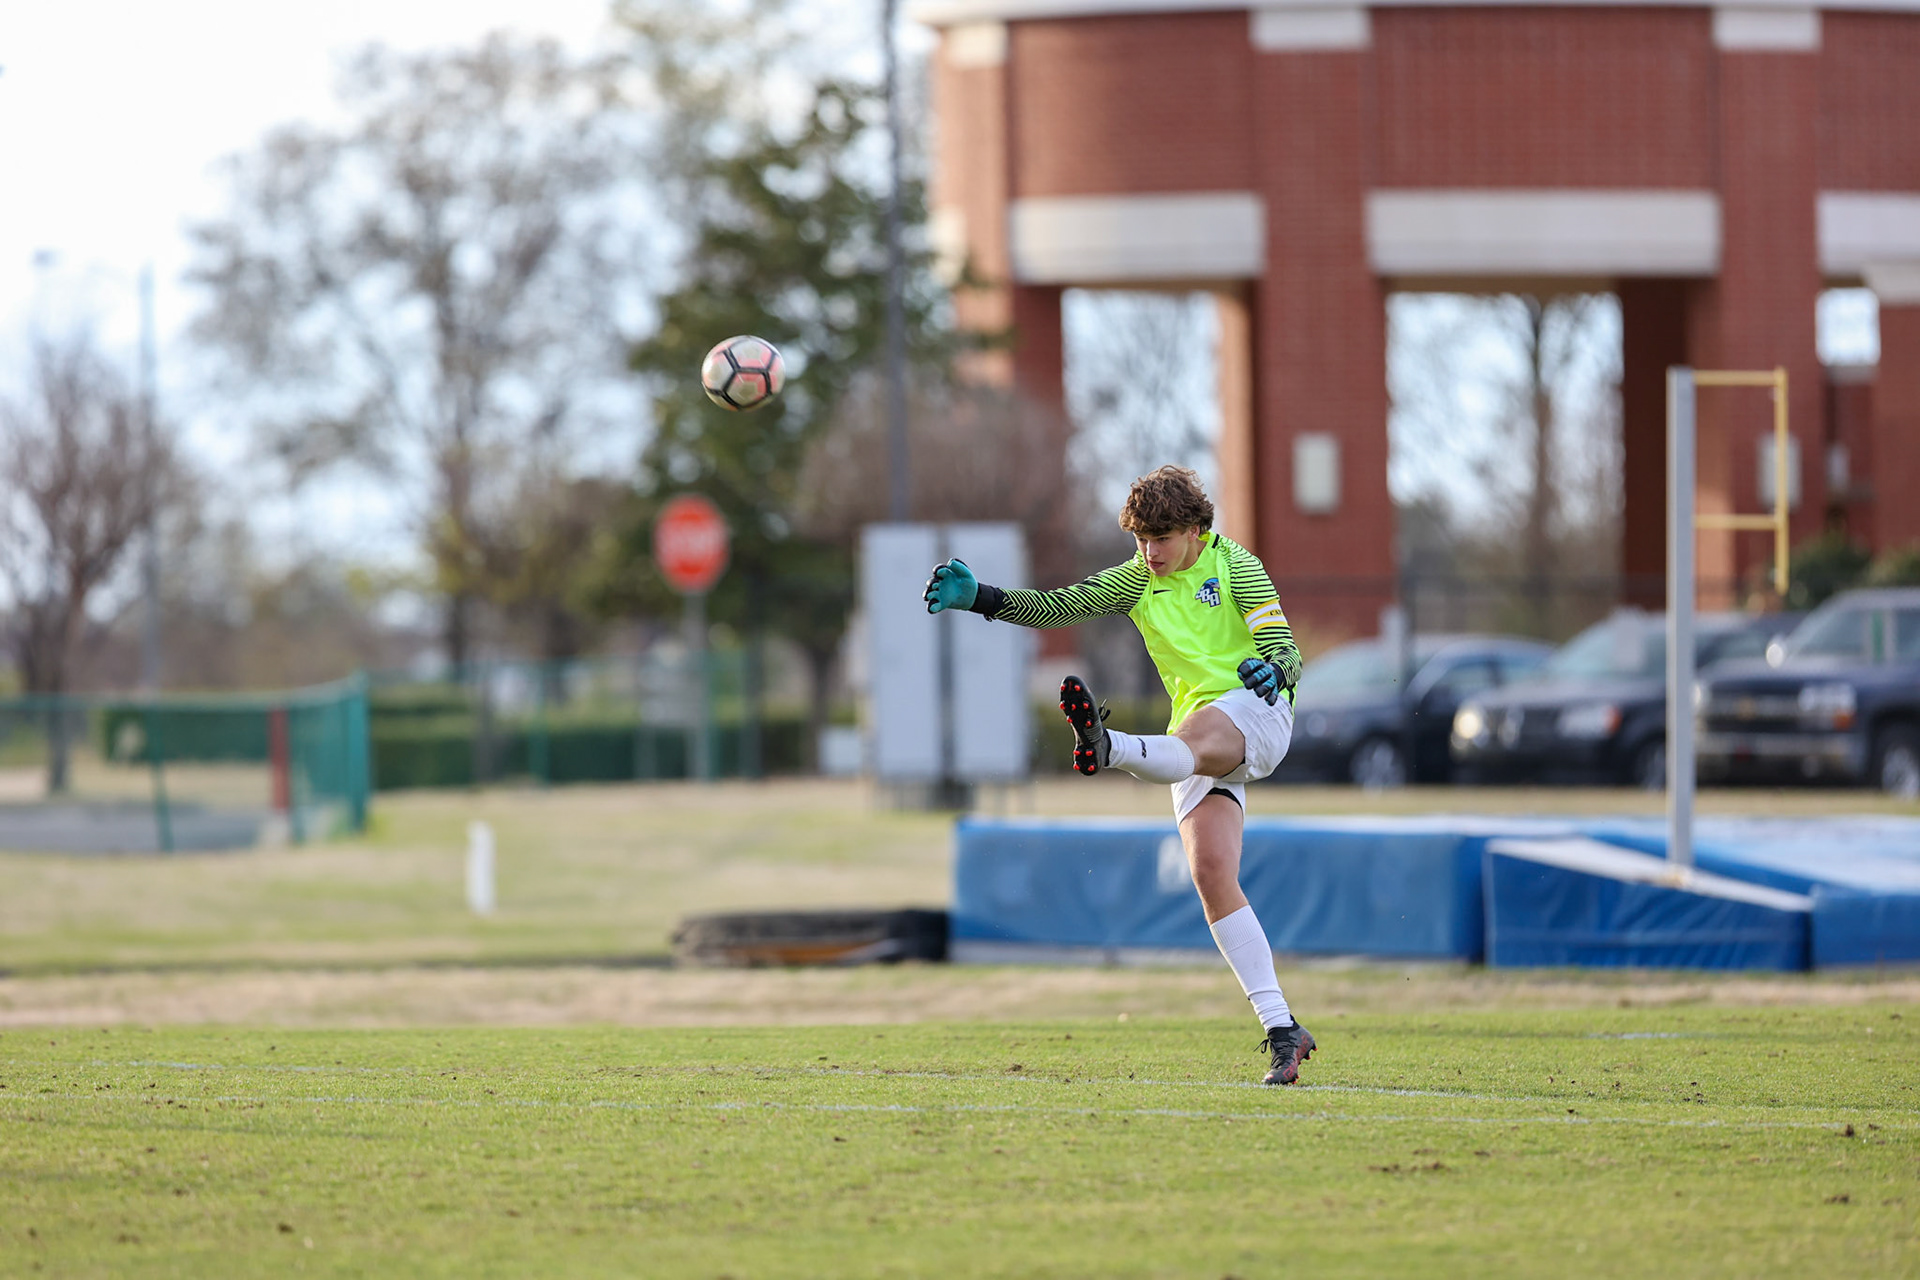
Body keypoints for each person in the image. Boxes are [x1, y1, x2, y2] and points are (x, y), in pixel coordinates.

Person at [922, 465, 1313, 1085]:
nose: (1148, 553)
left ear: (1192, 530)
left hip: (1258, 712)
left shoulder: (1235, 564)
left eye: (1159, 540)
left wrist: (1277, 672)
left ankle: (1112, 748)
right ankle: (1282, 1028)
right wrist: (982, 598)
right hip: (1193, 735)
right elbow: (1058, 607)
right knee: (1212, 874)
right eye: (1139, 540)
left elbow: (1283, 644)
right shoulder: (1137, 579)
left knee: (1189, 737)